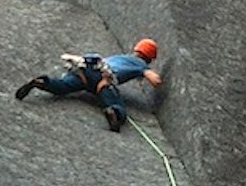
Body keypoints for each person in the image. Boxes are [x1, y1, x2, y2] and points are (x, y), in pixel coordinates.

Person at [14, 38, 163, 132]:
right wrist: (151, 74)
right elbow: (155, 80)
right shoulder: (141, 65)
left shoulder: (121, 57)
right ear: (149, 58)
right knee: (115, 102)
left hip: (86, 70)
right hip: (103, 78)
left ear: (136, 49)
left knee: (64, 86)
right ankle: (113, 113)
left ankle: (42, 82)